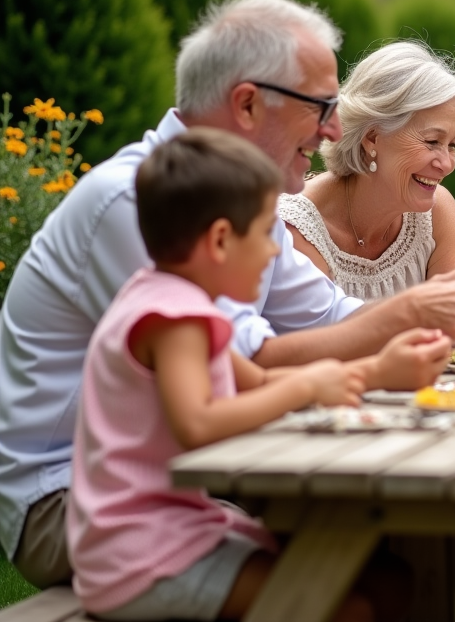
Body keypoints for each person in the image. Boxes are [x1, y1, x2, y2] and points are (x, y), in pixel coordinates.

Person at [0, 0, 455, 589]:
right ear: (247, 105)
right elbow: (244, 359)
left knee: (400, 563)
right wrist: (404, 316)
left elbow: (329, 319)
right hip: (78, 500)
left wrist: (424, 320)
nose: (333, 128)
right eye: (320, 105)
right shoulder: (140, 200)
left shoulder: (247, 198)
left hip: (181, 478)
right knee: (363, 575)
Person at [69, 129, 432, 621]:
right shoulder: (175, 320)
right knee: (353, 606)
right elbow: (198, 423)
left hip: (176, 530)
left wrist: (375, 372)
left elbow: (256, 383)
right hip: (141, 552)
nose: (273, 253)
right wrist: (307, 386)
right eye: (265, 233)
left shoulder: (182, 303)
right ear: (220, 240)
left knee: (393, 579)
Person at [280, 40, 455, 299]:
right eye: (432, 142)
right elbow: (331, 336)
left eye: (452, 145)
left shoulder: (436, 212)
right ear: (372, 137)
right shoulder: (294, 230)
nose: (447, 164)